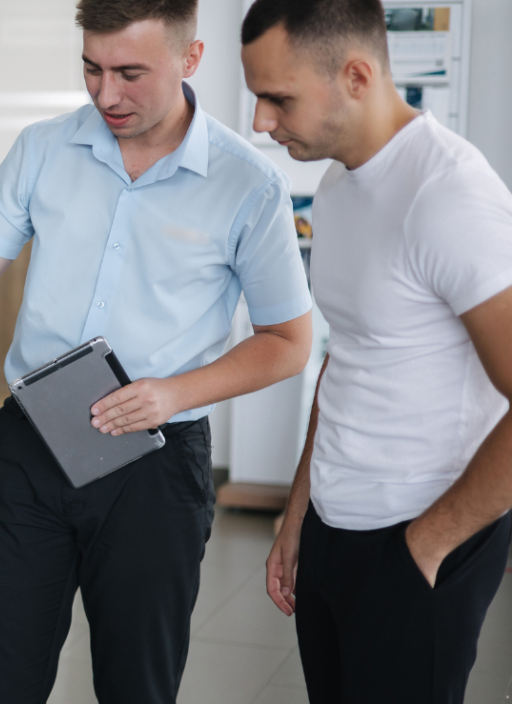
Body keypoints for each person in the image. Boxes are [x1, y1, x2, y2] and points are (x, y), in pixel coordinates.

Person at [0, 0, 314, 701]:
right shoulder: (43, 148)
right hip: (31, 445)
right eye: (92, 68)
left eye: (131, 73)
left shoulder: (247, 185)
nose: (107, 94)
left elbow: (288, 343)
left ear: (190, 60)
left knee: (137, 686)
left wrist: (172, 393)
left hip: (155, 465)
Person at [242, 0, 512, 701]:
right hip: (336, 527)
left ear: (356, 76)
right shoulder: (336, 188)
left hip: (419, 539)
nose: (260, 122)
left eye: (278, 98)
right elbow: (348, 357)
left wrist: (424, 548)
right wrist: (300, 510)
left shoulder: (450, 194)